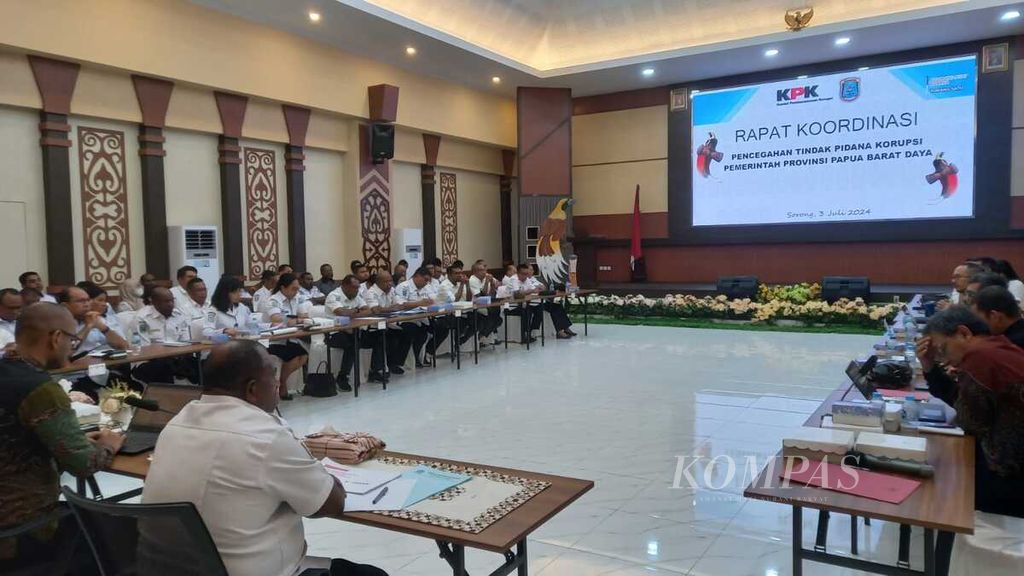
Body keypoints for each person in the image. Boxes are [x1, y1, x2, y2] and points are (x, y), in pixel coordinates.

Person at [141, 340, 387, 576]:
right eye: (273, 376)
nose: (279, 383)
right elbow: (331, 503)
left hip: (171, 568)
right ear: (253, 389)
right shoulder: (266, 436)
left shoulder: (176, 424)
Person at [0, 303, 123, 572]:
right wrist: (108, 444)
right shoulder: (40, 389)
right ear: (56, 338)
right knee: (115, 537)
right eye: (72, 339)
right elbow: (83, 465)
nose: (72, 347)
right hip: (22, 530)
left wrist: (71, 439)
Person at [917, 306, 1024, 517]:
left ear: (964, 333)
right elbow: (965, 403)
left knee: (938, 470)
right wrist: (930, 367)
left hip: (1010, 476)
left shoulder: (979, 357)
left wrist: (957, 379)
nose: (944, 360)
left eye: (943, 350)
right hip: (1011, 460)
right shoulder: (998, 346)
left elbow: (969, 421)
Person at [324, 275, 383, 388]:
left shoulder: (356, 295)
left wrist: (352, 313)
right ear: (345, 286)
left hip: (354, 329)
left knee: (378, 336)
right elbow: (341, 312)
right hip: (333, 333)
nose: (357, 290)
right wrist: (356, 310)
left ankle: (375, 371)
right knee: (352, 343)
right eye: (354, 287)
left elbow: (368, 311)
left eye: (357, 287)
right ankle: (342, 377)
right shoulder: (334, 295)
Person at [259, 273, 310, 400]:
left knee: (303, 355)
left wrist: (294, 320)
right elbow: (276, 319)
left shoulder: (297, 297)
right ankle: (282, 386)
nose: (296, 291)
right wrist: (295, 320)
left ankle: (282, 381)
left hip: (289, 336)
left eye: (297, 288)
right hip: (272, 340)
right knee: (295, 354)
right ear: (283, 288)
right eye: (293, 288)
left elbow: (304, 315)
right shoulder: (273, 300)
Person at [133, 286, 195, 384]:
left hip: (177, 357)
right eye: (166, 301)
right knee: (164, 366)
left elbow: (186, 341)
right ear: (154, 302)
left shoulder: (179, 315)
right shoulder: (142, 318)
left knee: (199, 363)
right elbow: (144, 348)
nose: (170, 304)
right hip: (148, 361)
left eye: (172, 301)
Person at [504, 263, 575, 340]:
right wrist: (532, 291)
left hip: (532, 301)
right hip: (514, 305)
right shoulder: (514, 279)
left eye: (527, 273)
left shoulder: (528, 279)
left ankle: (564, 328)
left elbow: (535, 291)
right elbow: (517, 294)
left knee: (556, 306)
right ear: (518, 273)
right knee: (535, 310)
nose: (525, 276)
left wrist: (537, 290)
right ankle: (528, 334)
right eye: (523, 274)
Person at [364, 271, 412, 374]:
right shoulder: (371, 293)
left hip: (389, 324)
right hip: (373, 327)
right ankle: (376, 370)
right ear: (378, 283)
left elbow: (400, 305)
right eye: (386, 281)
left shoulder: (392, 290)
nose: (390, 283)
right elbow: (375, 310)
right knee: (382, 338)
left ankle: (394, 363)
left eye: (391, 280)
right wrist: (391, 308)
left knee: (408, 333)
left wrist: (387, 309)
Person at [61, 286, 129, 352]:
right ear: (65, 305)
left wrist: (103, 328)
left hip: (104, 361)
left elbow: (124, 346)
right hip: (78, 362)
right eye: (81, 301)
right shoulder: (59, 323)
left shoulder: (95, 318)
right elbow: (68, 351)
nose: (86, 304)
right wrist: (88, 327)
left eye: (88, 300)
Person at [393, 267, 436, 367]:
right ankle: (399, 363)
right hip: (404, 319)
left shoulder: (426, 287)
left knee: (439, 327)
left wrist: (430, 302)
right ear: (417, 276)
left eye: (428, 280)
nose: (426, 283)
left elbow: (433, 299)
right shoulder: (404, 286)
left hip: (421, 317)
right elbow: (401, 304)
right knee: (411, 331)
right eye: (425, 279)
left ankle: (425, 355)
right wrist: (419, 303)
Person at [468, 262, 502, 344]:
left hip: (488, 304)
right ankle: (483, 336)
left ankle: (483, 335)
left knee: (499, 319)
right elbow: (481, 295)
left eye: (484, 270)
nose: (484, 272)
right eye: (481, 270)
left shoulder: (485, 277)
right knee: (493, 315)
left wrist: (493, 284)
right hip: (476, 305)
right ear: (475, 272)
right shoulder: (472, 280)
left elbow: (497, 287)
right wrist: (487, 282)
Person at [0, 288, 23, 353]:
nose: (15, 311)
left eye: (18, 307)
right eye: (11, 308)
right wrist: (4, 352)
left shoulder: (27, 322)